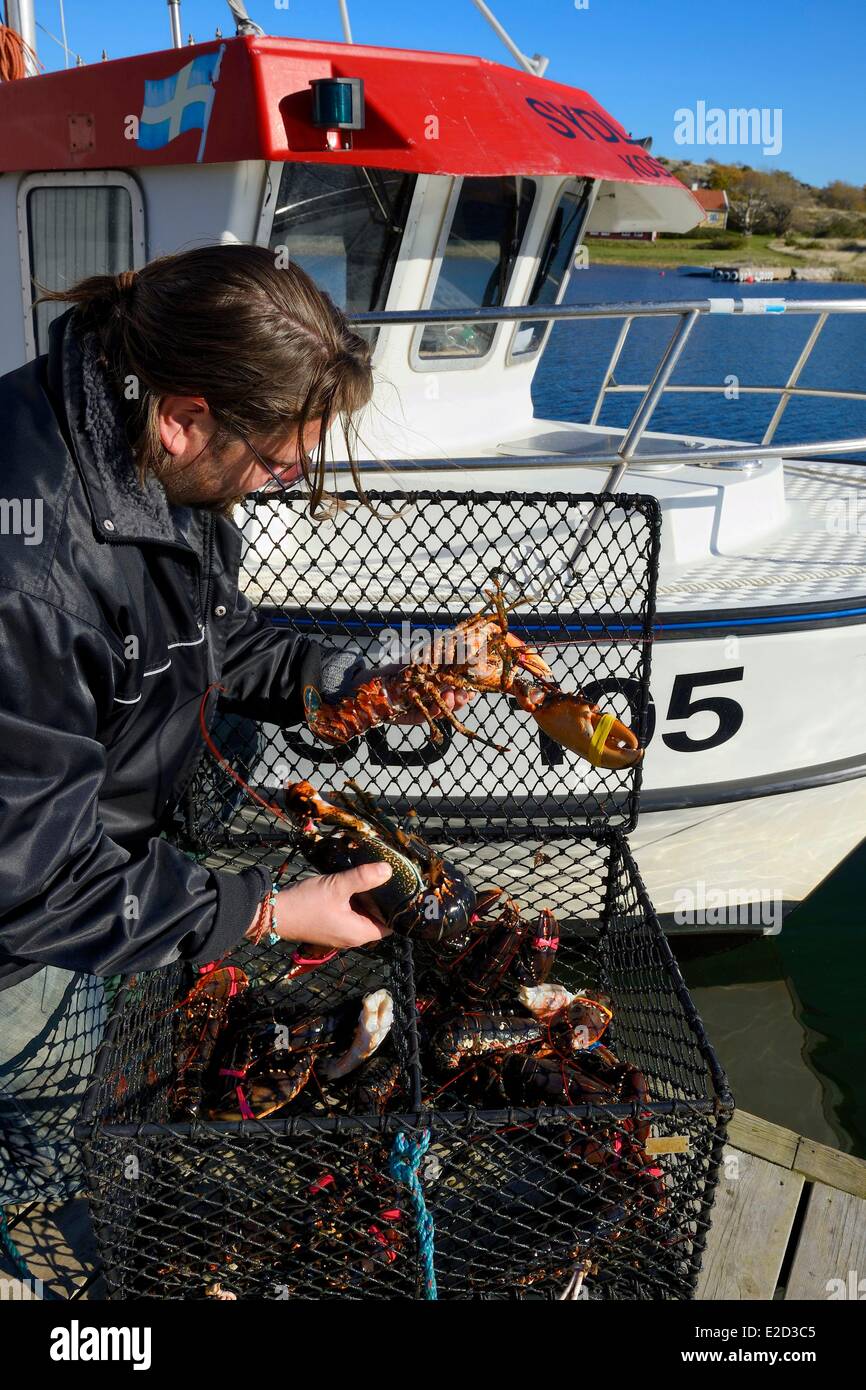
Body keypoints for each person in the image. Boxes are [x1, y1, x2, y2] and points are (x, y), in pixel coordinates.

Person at [0, 244, 470, 1210]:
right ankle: (35, 1210)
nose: (279, 483)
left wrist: (349, 676)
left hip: (99, 866)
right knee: (42, 1112)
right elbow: (33, 887)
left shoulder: (139, 453)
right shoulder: (30, 575)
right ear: (184, 418)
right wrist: (270, 911)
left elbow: (212, 635)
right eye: (275, 463)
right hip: (19, 944)